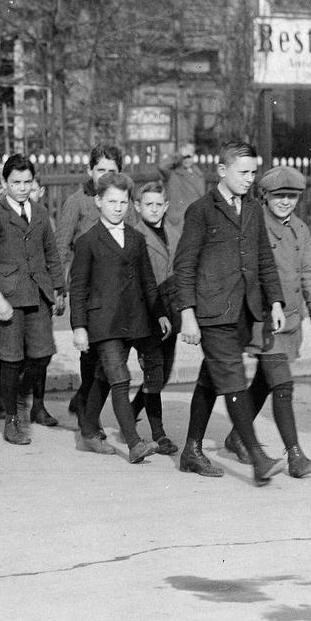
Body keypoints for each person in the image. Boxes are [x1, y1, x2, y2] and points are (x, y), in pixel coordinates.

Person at [171, 141, 287, 484]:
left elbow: (265, 258)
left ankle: (191, 451)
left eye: (254, 172)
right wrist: (187, 314)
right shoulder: (201, 210)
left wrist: (276, 301)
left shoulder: (252, 209)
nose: (250, 179)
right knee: (233, 378)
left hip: (243, 311)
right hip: (211, 311)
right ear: (222, 171)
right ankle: (257, 458)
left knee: (212, 378)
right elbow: (184, 266)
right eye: (243, 172)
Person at [70, 171, 169, 463]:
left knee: (103, 377)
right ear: (98, 201)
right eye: (111, 201)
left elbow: (148, 281)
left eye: (123, 202)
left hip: (134, 320)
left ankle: (88, 430)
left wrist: (159, 314)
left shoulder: (137, 239)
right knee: (120, 378)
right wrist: (79, 327)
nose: (118, 207)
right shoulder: (87, 241)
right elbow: (78, 288)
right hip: (103, 323)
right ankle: (135, 443)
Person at [243, 166, 311, 479]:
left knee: (265, 382)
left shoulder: (300, 229)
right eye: (279, 196)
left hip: (291, 321)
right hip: (265, 321)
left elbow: (309, 271)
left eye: (291, 197)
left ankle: (236, 436)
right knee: (282, 384)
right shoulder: (255, 226)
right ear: (264, 196)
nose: (286, 202)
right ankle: (295, 455)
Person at [0, 153, 66, 445]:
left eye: (28, 182)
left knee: (43, 353)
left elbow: (51, 252)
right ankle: (12, 419)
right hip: (9, 298)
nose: (23, 188)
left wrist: (59, 288)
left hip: (38, 294)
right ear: (4, 184)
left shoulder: (39, 212)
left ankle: (15, 396)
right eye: (16, 182)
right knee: (11, 359)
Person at [56, 144, 124, 422]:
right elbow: (60, 245)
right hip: (88, 290)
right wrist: (59, 289)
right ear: (90, 171)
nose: (106, 177)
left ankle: (83, 399)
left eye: (112, 171)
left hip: (116, 290)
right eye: (101, 171)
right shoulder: (77, 202)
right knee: (92, 353)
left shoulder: (121, 201)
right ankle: (87, 409)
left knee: (109, 352)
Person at [129, 181, 180, 454]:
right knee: (154, 373)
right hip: (147, 317)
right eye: (148, 204)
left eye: (159, 204)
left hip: (171, 313)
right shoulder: (135, 236)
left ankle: (129, 411)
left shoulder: (174, 233)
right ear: (137, 207)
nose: (154, 209)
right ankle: (159, 435)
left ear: (166, 206)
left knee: (163, 373)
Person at [158, 142, 206, 244]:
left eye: (189, 156)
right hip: (177, 223)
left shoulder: (198, 174)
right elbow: (162, 166)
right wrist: (179, 154)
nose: (187, 159)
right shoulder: (172, 173)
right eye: (184, 157)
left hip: (194, 222)